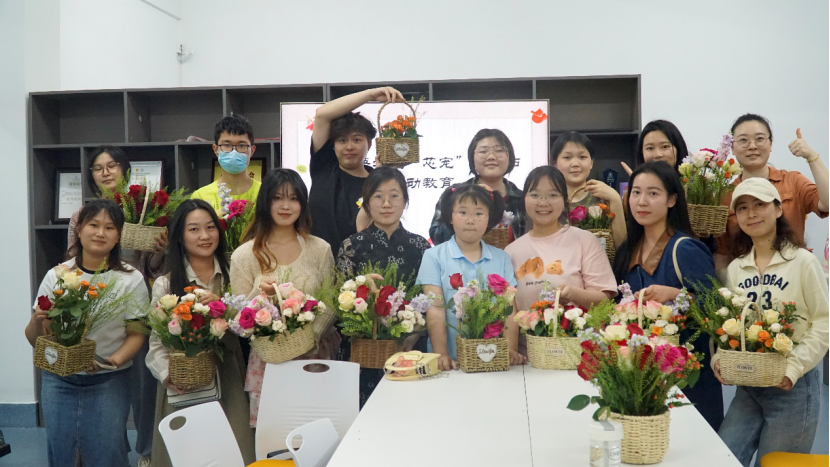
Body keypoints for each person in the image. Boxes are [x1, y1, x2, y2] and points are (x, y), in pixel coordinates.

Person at [714, 177, 829, 467]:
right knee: (722, 458)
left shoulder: (802, 262)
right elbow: (728, 324)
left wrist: (794, 367)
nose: (751, 213)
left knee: (776, 463)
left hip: (793, 386)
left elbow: (824, 321)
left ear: (778, 209)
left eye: (759, 204)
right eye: (742, 208)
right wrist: (720, 358)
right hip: (748, 385)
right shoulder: (737, 268)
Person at [25, 199, 149, 467]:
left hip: (109, 379)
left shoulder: (131, 278)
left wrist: (111, 362)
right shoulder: (58, 275)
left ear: (118, 236)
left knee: (107, 453)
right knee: (61, 452)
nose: (100, 233)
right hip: (59, 379)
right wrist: (36, 321)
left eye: (109, 227)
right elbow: (37, 339)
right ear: (79, 230)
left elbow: (137, 334)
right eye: (93, 225)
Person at [68, 145, 164, 465]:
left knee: (143, 384)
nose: (106, 172)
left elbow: (154, 268)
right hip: (98, 311)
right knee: (104, 380)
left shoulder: (143, 210)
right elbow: (73, 260)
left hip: (138, 306)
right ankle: (112, 447)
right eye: (98, 168)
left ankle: (147, 450)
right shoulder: (81, 216)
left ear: (125, 170)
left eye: (112, 166)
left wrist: (159, 249)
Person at [613, 161, 724, 431]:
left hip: (689, 380)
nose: (642, 201)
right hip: (642, 380)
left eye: (653, 193)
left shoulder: (685, 248)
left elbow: (718, 308)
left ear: (672, 200)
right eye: (636, 192)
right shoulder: (628, 250)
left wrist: (675, 294)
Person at [145, 199, 255, 466]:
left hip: (230, 377)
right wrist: (167, 374)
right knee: (187, 455)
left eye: (210, 227)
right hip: (184, 383)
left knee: (233, 452)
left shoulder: (235, 274)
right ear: (179, 237)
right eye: (194, 229)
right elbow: (157, 343)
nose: (205, 236)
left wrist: (225, 309)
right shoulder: (166, 285)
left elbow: (251, 326)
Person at [230, 169, 337, 426]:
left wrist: (310, 337)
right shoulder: (244, 255)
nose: (286, 206)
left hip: (315, 357)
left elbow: (331, 302)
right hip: (268, 363)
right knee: (273, 438)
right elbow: (239, 318)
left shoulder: (320, 249)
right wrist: (259, 293)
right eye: (277, 198)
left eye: (293, 198)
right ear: (265, 202)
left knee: (316, 434)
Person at [336, 167, 431, 406]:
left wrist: (415, 333)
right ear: (367, 203)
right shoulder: (352, 246)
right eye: (378, 196)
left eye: (394, 196)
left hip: (410, 350)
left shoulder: (420, 246)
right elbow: (340, 301)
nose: (386, 204)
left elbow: (429, 300)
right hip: (363, 352)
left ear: (405, 201)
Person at [504, 166, 617, 356]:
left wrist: (573, 294)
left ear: (565, 201)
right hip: (529, 358)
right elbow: (510, 311)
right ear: (524, 200)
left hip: (577, 355)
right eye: (535, 195)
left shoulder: (584, 240)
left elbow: (604, 299)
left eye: (552, 195)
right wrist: (512, 352)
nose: (543, 202)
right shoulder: (511, 251)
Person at [417, 184, 518, 370]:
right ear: (450, 217)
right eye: (463, 212)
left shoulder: (502, 258)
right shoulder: (433, 256)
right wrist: (441, 354)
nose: (470, 220)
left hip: (494, 359)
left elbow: (509, 309)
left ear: (489, 219)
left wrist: (510, 349)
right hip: (451, 361)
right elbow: (435, 308)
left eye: (479, 214)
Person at [715, 114, 829, 271]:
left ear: (770, 144)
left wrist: (812, 157)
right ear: (732, 148)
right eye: (743, 140)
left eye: (759, 139)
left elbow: (827, 204)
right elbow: (722, 253)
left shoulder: (793, 181)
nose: (752, 146)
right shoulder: (725, 196)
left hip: (795, 273)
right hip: (747, 278)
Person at [309, 87, 405, 256]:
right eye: (342, 140)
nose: (349, 147)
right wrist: (371, 94)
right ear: (333, 145)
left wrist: (381, 176)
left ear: (369, 143)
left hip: (362, 266)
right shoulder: (324, 167)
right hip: (319, 263)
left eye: (357, 139)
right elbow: (322, 114)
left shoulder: (377, 184)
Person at [429, 129, 527, 246]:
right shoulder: (455, 194)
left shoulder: (522, 198)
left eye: (499, 150)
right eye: (483, 151)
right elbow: (437, 236)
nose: (491, 157)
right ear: (472, 157)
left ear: (510, 157)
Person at [552, 131, 626, 248]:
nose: (575, 164)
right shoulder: (549, 202)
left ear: (591, 163)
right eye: (567, 157)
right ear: (555, 164)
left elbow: (622, 246)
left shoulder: (604, 198)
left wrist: (615, 198)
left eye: (582, 157)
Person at [191, 115, 261, 211]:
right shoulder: (201, 197)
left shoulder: (265, 194)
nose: (234, 152)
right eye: (227, 145)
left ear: (252, 150)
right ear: (216, 150)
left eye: (241, 145)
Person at [622, 119, 689, 175]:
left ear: (678, 148)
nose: (658, 155)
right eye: (650, 148)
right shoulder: (635, 185)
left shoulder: (692, 184)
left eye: (665, 147)